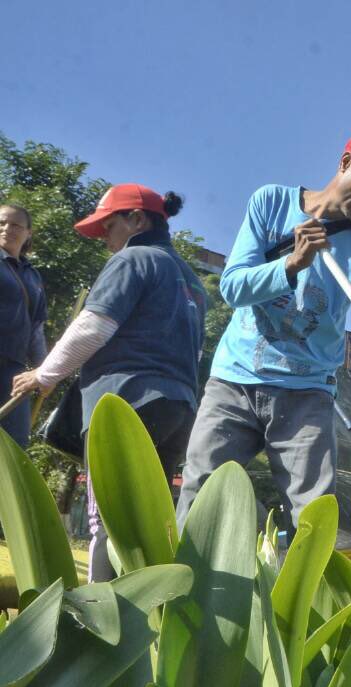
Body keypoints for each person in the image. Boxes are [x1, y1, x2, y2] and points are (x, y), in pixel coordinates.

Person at [175, 128, 351, 535]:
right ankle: (181, 594)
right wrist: (290, 264)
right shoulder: (271, 202)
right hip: (234, 380)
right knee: (201, 492)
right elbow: (233, 287)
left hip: (307, 392)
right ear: (344, 164)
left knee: (313, 515)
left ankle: (307, 597)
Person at [12, 184, 207, 581]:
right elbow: (197, 351)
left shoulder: (134, 258)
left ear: (137, 220)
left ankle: (100, 622)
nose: (104, 239)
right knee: (149, 520)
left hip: (125, 402)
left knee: (108, 518)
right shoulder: (192, 280)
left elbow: (94, 325)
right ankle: (147, 621)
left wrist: (43, 374)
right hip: (178, 408)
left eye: (108, 226)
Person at [1, 204, 47, 448]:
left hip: (14, 373)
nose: (7, 229)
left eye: (15, 224)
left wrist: (46, 371)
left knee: (15, 446)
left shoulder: (33, 276)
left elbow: (36, 328)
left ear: (29, 233)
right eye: (2, 223)